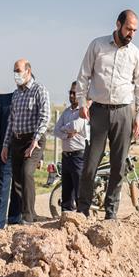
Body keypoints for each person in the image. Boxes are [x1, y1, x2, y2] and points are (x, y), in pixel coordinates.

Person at [76, 10, 139, 220]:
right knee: (90, 164)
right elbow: (83, 75)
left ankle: (111, 213)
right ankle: (82, 211)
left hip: (124, 113)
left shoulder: (135, 54)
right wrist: (82, 102)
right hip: (98, 111)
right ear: (118, 24)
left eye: (134, 30)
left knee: (119, 166)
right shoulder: (97, 45)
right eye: (128, 29)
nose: (131, 34)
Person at [0, 59, 50, 224]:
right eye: (14, 71)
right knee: (17, 179)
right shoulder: (16, 94)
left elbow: (44, 117)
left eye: (18, 70)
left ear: (28, 71)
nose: (15, 74)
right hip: (17, 140)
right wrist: (6, 145)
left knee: (27, 172)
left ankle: (28, 217)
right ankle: (26, 213)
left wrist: (35, 140)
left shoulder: (39, 90)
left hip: (34, 140)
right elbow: (11, 121)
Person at [53, 81, 89, 211]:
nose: (72, 96)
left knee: (79, 192)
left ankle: (82, 217)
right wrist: (66, 135)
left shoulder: (83, 111)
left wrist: (64, 129)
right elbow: (56, 130)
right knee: (66, 192)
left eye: (74, 93)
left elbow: (75, 126)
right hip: (66, 157)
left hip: (78, 157)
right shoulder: (66, 112)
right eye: (70, 93)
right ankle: (66, 217)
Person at [0, 91, 21, 229]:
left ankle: (14, 222)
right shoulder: (4, 99)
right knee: (1, 188)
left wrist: (39, 156)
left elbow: (38, 129)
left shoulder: (33, 101)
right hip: (4, 152)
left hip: (23, 153)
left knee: (18, 189)